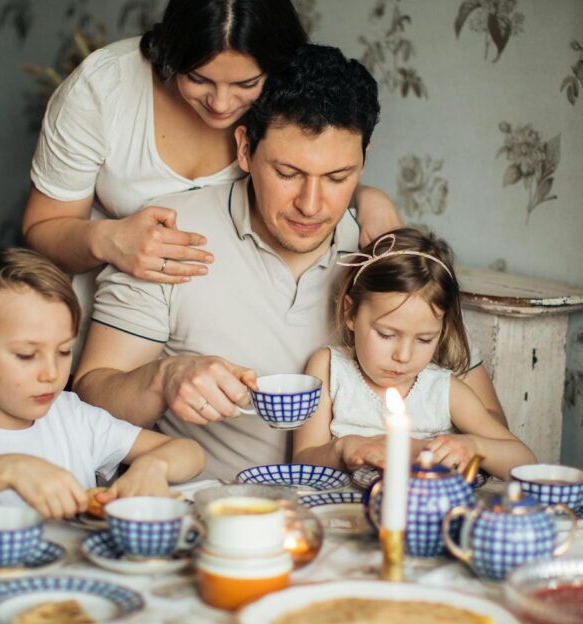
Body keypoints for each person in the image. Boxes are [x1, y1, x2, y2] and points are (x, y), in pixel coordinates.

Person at [74, 44, 499, 481]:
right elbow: (91, 398)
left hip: (360, 516)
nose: (311, 205)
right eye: (287, 173)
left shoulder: (383, 251)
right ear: (245, 149)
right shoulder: (170, 233)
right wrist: (163, 379)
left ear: (364, 159)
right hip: (217, 510)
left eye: (337, 178)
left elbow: (492, 431)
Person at [23, 0, 400, 291]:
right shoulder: (103, 90)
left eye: (245, 84)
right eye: (198, 78)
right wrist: (107, 239)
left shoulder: (278, 102)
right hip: (115, 316)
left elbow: (310, 165)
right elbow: (43, 228)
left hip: (226, 319)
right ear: (171, 55)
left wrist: (364, 197)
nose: (220, 104)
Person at [0, 248, 205, 548]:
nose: (51, 373)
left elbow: (188, 452)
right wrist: (7, 469)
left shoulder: (73, 418)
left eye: (63, 352)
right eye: (27, 355)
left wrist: (153, 465)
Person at [291, 229, 536, 477]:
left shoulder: (444, 390)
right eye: (386, 335)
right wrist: (341, 449)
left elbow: (526, 463)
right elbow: (302, 460)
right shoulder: (329, 368)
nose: (403, 356)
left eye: (424, 339)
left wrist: (474, 446)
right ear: (350, 313)